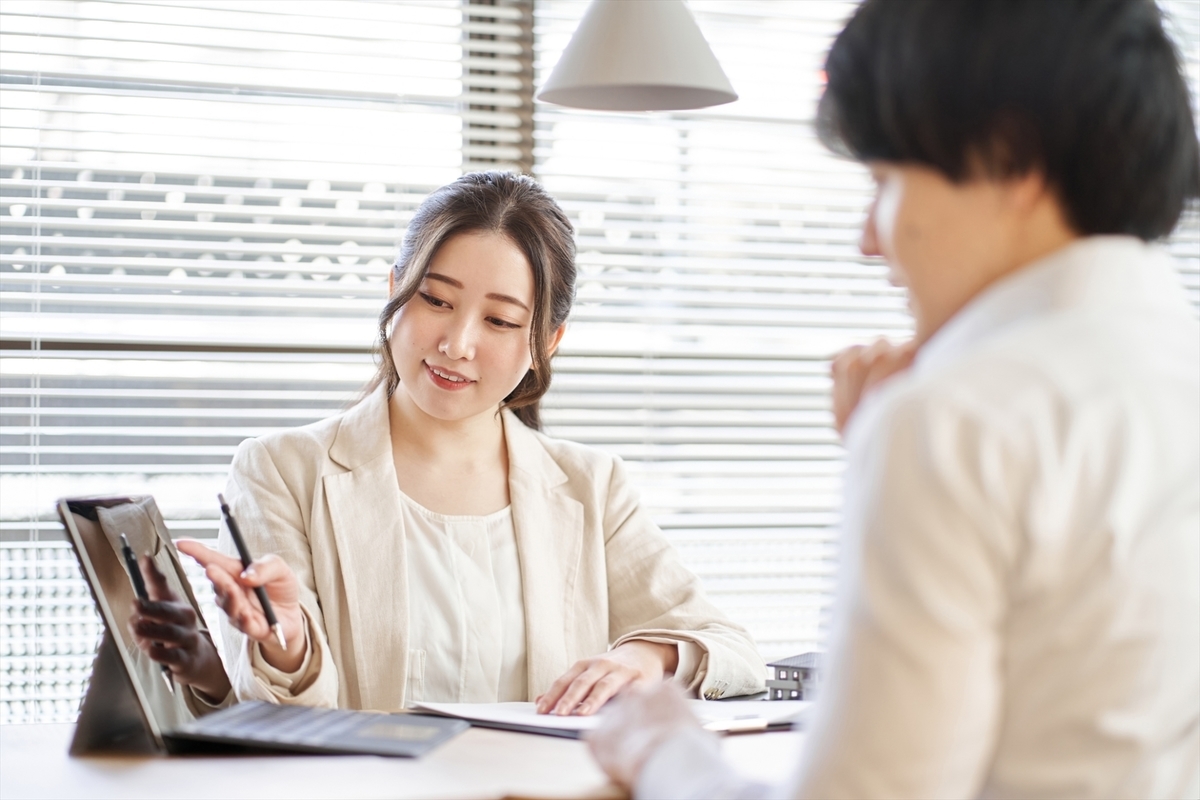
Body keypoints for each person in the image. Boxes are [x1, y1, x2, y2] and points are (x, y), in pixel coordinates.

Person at [587, 0, 1200, 797]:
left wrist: (662, 750)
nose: (868, 240)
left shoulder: (959, 420)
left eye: (885, 183)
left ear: (1008, 158)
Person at [130, 171, 765, 714]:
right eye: (436, 300)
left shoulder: (590, 486)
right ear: (395, 291)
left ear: (546, 342)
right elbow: (287, 717)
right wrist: (287, 645)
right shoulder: (282, 470)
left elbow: (734, 651)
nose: (456, 344)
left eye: (500, 320)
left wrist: (645, 655)